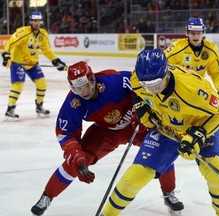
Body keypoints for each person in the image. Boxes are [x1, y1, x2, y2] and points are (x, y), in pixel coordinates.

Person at [30, 61, 183, 216]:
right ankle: (47, 196)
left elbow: (141, 88)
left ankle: (169, 193)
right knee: (75, 161)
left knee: (161, 152)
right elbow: (66, 132)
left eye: (87, 85)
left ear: (93, 79)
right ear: (72, 88)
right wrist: (74, 151)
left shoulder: (114, 81)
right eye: (78, 88)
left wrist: (141, 111)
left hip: (135, 125)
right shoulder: (74, 103)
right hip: (106, 132)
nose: (84, 91)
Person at [101, 49, 219, 216]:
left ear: (166, 74)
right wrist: (140, 106)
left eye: (156, 83)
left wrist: (198, 134)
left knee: (217, 174)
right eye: (146, 85)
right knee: (135, 176)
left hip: (199, 126)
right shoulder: (139, 78)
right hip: (165, 129)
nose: (152, 90)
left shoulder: (192, 90)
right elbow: (138, 93)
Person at [1, 11, 66, 120]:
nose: (36, 23)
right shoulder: (23, 32)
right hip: (18, 63)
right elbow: (10, 43)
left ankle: (39, 106)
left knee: (42, 84)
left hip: (32, 64)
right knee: (18, 84)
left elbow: (47, 50)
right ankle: (10, 108)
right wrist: (6, 54)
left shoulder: (43, 34)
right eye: (34, 20)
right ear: (30, 21)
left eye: (38, 21)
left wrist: (56, 61)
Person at [164, 17, 219, 108]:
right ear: (188, 33)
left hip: (198, 91)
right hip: (177, 91)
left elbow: (216, 73)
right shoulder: (176, 48)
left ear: (203, 33)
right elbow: (162, 66)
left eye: (199, 33)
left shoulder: (211, 49)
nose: (196, 36)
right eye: (193, 33)